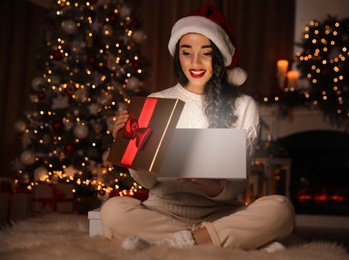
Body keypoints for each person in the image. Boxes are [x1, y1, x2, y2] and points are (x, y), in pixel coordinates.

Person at [101, 3, 295, 251]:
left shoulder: (243, 105)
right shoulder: (156, 101)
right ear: (177, 55)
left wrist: (216, 189)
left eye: (205, 52)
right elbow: (148, 184)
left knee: (281, 209)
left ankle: (172, 243)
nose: (195, 62)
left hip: (220, 213)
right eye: (186, 52)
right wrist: (130, 147)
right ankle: (215, 241)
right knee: (113, 210)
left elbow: (237, 186)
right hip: (162, 212)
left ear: (219, 56)